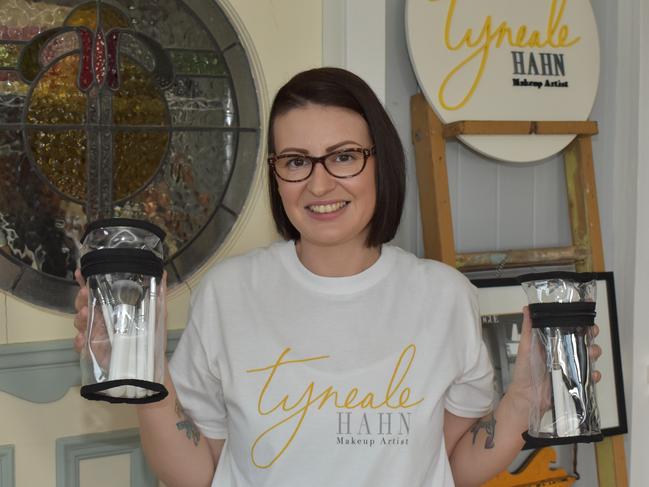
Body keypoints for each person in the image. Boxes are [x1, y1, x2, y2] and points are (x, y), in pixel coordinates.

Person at [74, 67, 601, 487]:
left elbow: (448, 466)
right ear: (277, 174)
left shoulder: (444, 298)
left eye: (344, 157)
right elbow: (197, 472)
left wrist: (523, 401)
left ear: (382, 163)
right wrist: (144, 374)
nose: (320, 184)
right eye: (297, 161)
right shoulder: (229, 294)